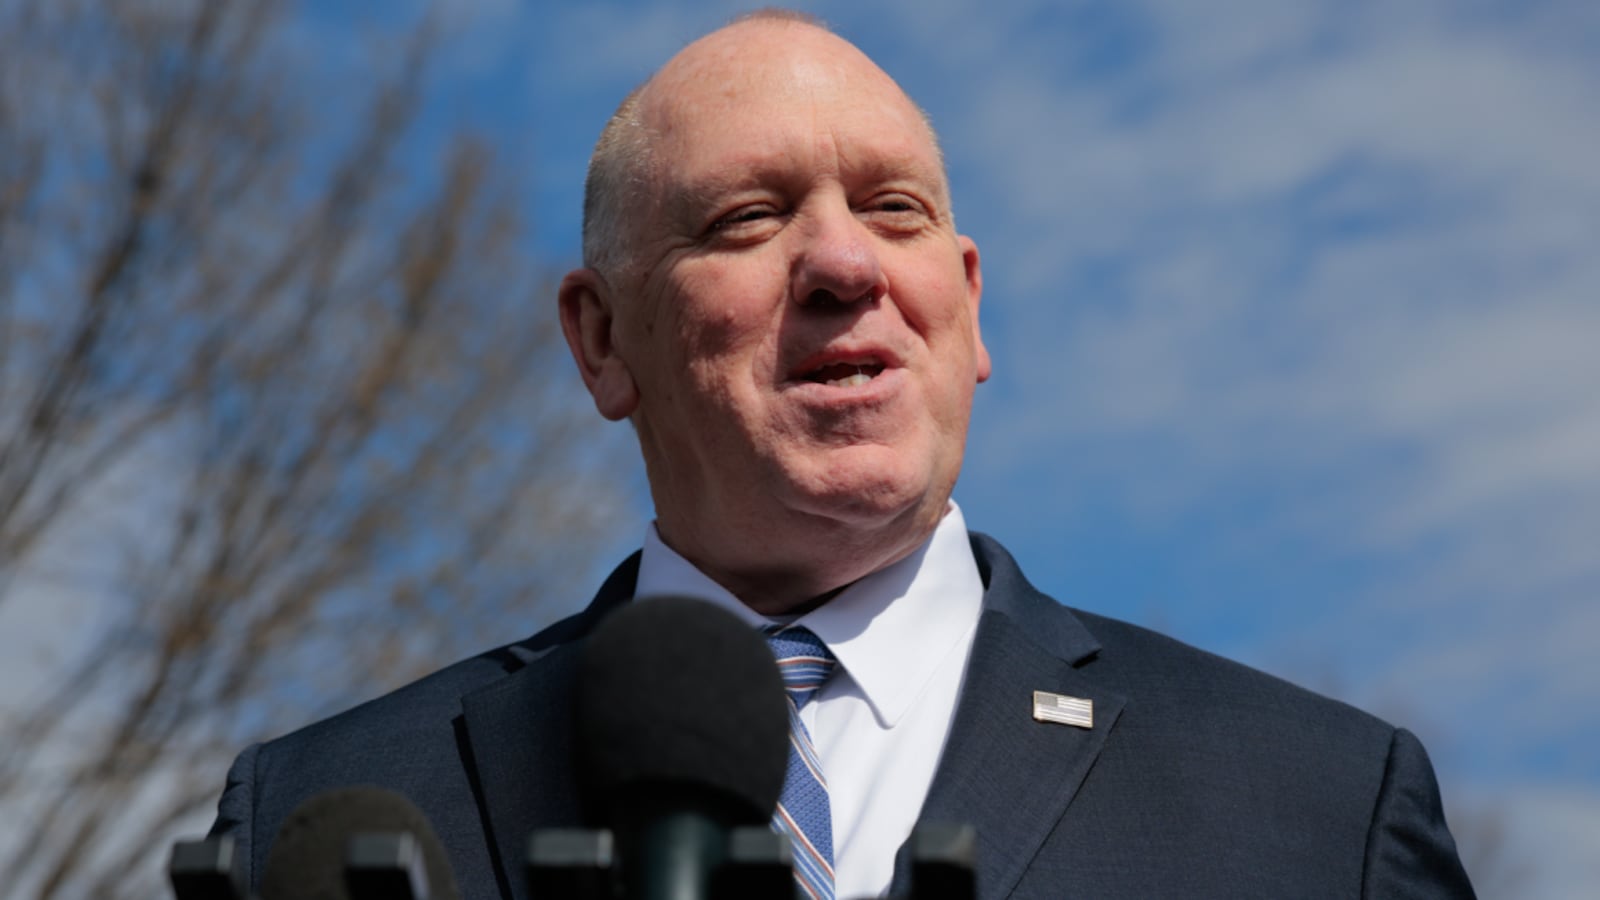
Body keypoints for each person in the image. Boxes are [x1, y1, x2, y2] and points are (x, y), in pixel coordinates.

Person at [209, 10, 1476, 899]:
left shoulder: (1315, 809)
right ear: (601, 341)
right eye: (749, 218)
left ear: (966, 306)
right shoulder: (330, 814)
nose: (845, 265)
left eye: (895, 210)